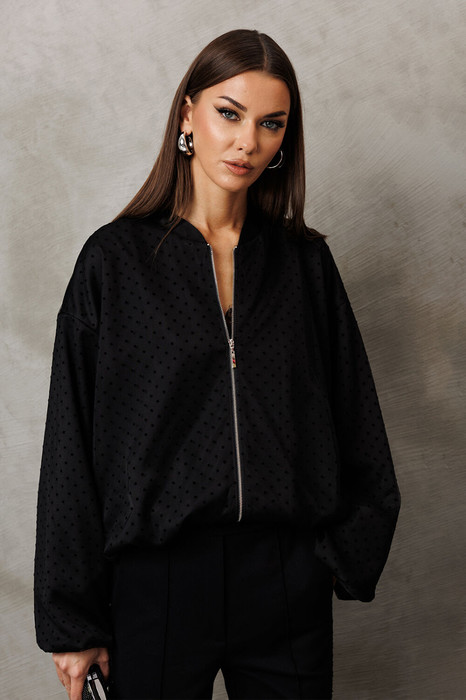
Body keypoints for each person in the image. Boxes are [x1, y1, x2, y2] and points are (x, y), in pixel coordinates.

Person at [34, 29, 400, 700]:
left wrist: (336, 558)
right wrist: (71, 619)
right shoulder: (115, 263)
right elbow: (70, 444)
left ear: (284, 138)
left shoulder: (303, 265)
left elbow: (358, 419)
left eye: (270, 124)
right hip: (157, 584)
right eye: (229, 113)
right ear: (187, 115)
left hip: (284, 580)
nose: (246, 142)